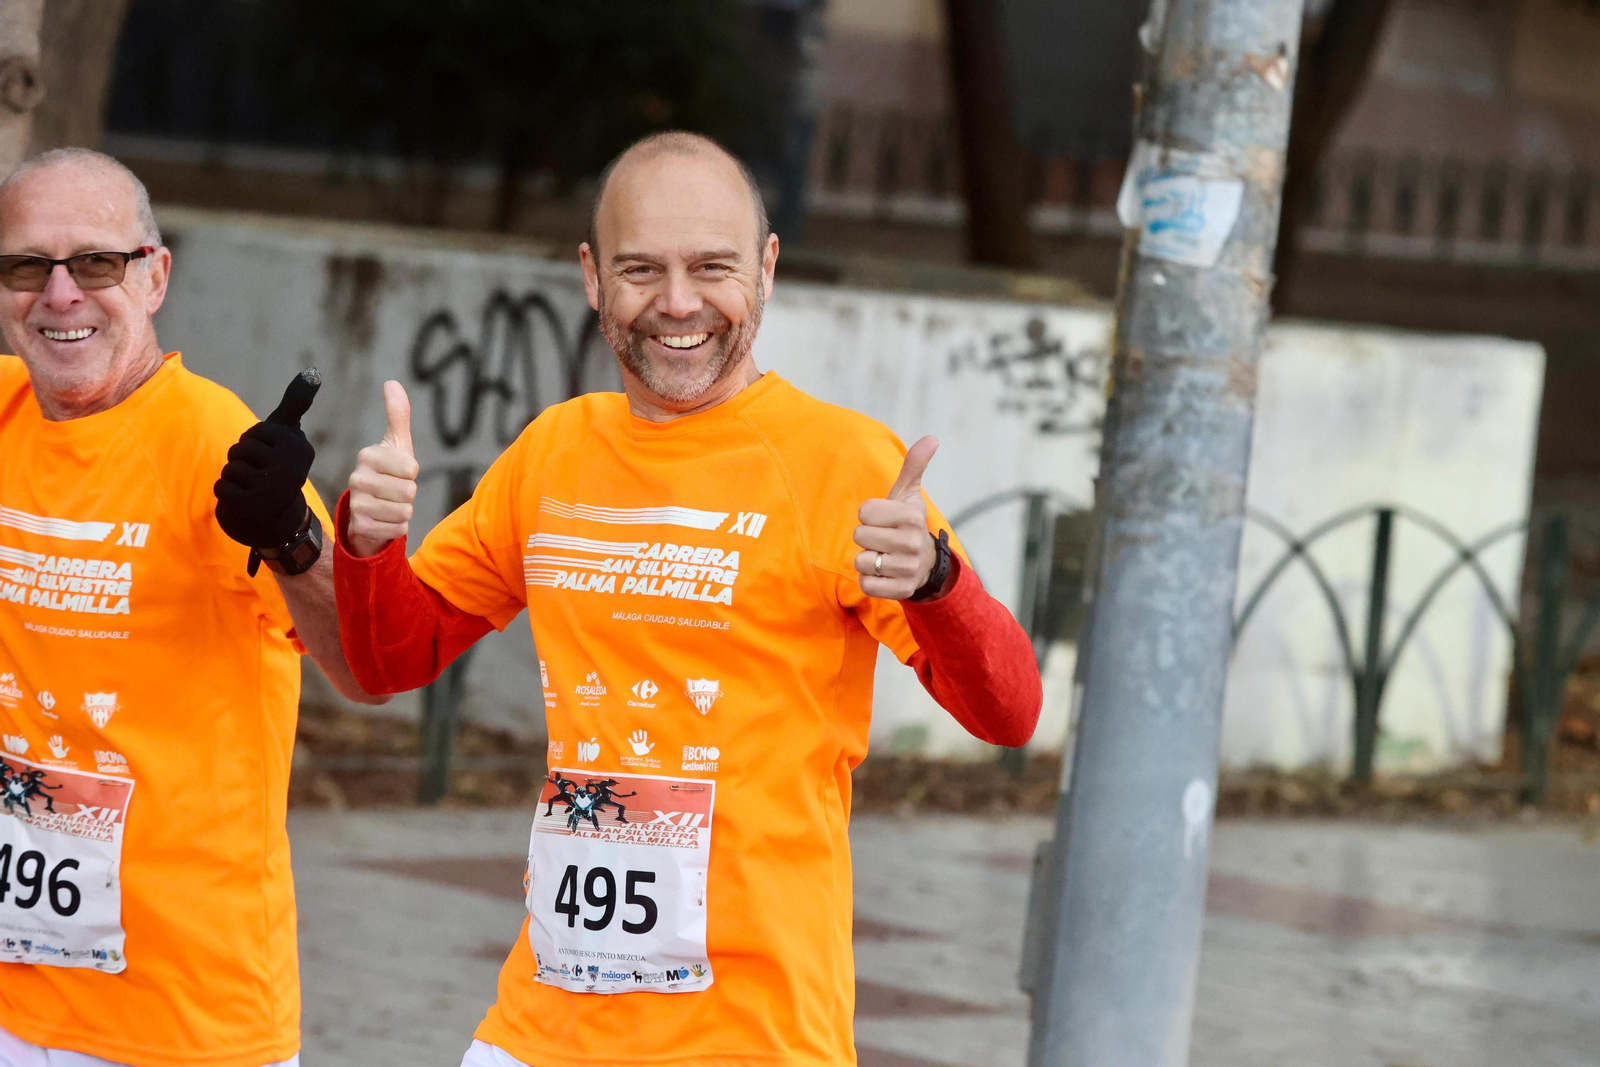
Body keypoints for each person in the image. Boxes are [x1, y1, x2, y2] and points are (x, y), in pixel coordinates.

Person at [337, 132, 1042, 1066]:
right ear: (592, 278)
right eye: (641, 269)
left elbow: (1009, 712)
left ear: (767, 268)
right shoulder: (552, 452)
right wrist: (368, 541)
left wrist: (938, 581)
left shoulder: (843, 465)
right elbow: (389, 659)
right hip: (542, 1027)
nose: (678, 302)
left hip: (751, 1036)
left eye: (713, 267)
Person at [0, 148, 382, 1067]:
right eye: (27, 265)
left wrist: (292, 536)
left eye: (97, 262)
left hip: (183, 1021)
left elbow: (362, 665)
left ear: (156, 276)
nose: (60, 293)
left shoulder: (216, 445)